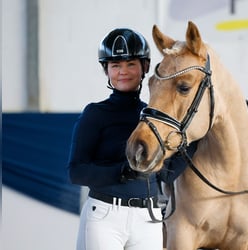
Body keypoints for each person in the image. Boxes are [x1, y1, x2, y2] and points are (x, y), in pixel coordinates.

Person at [67, 27, 198, 250]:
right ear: (106, 70)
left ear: (145, 67)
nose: (123, 72)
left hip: (149, 218)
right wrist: (122, 172)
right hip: (106, 217)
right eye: (115, 65)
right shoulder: (95, 113)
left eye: (131, 64)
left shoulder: (155, 117)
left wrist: (193, 141)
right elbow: (76, 172)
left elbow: (165, 175)